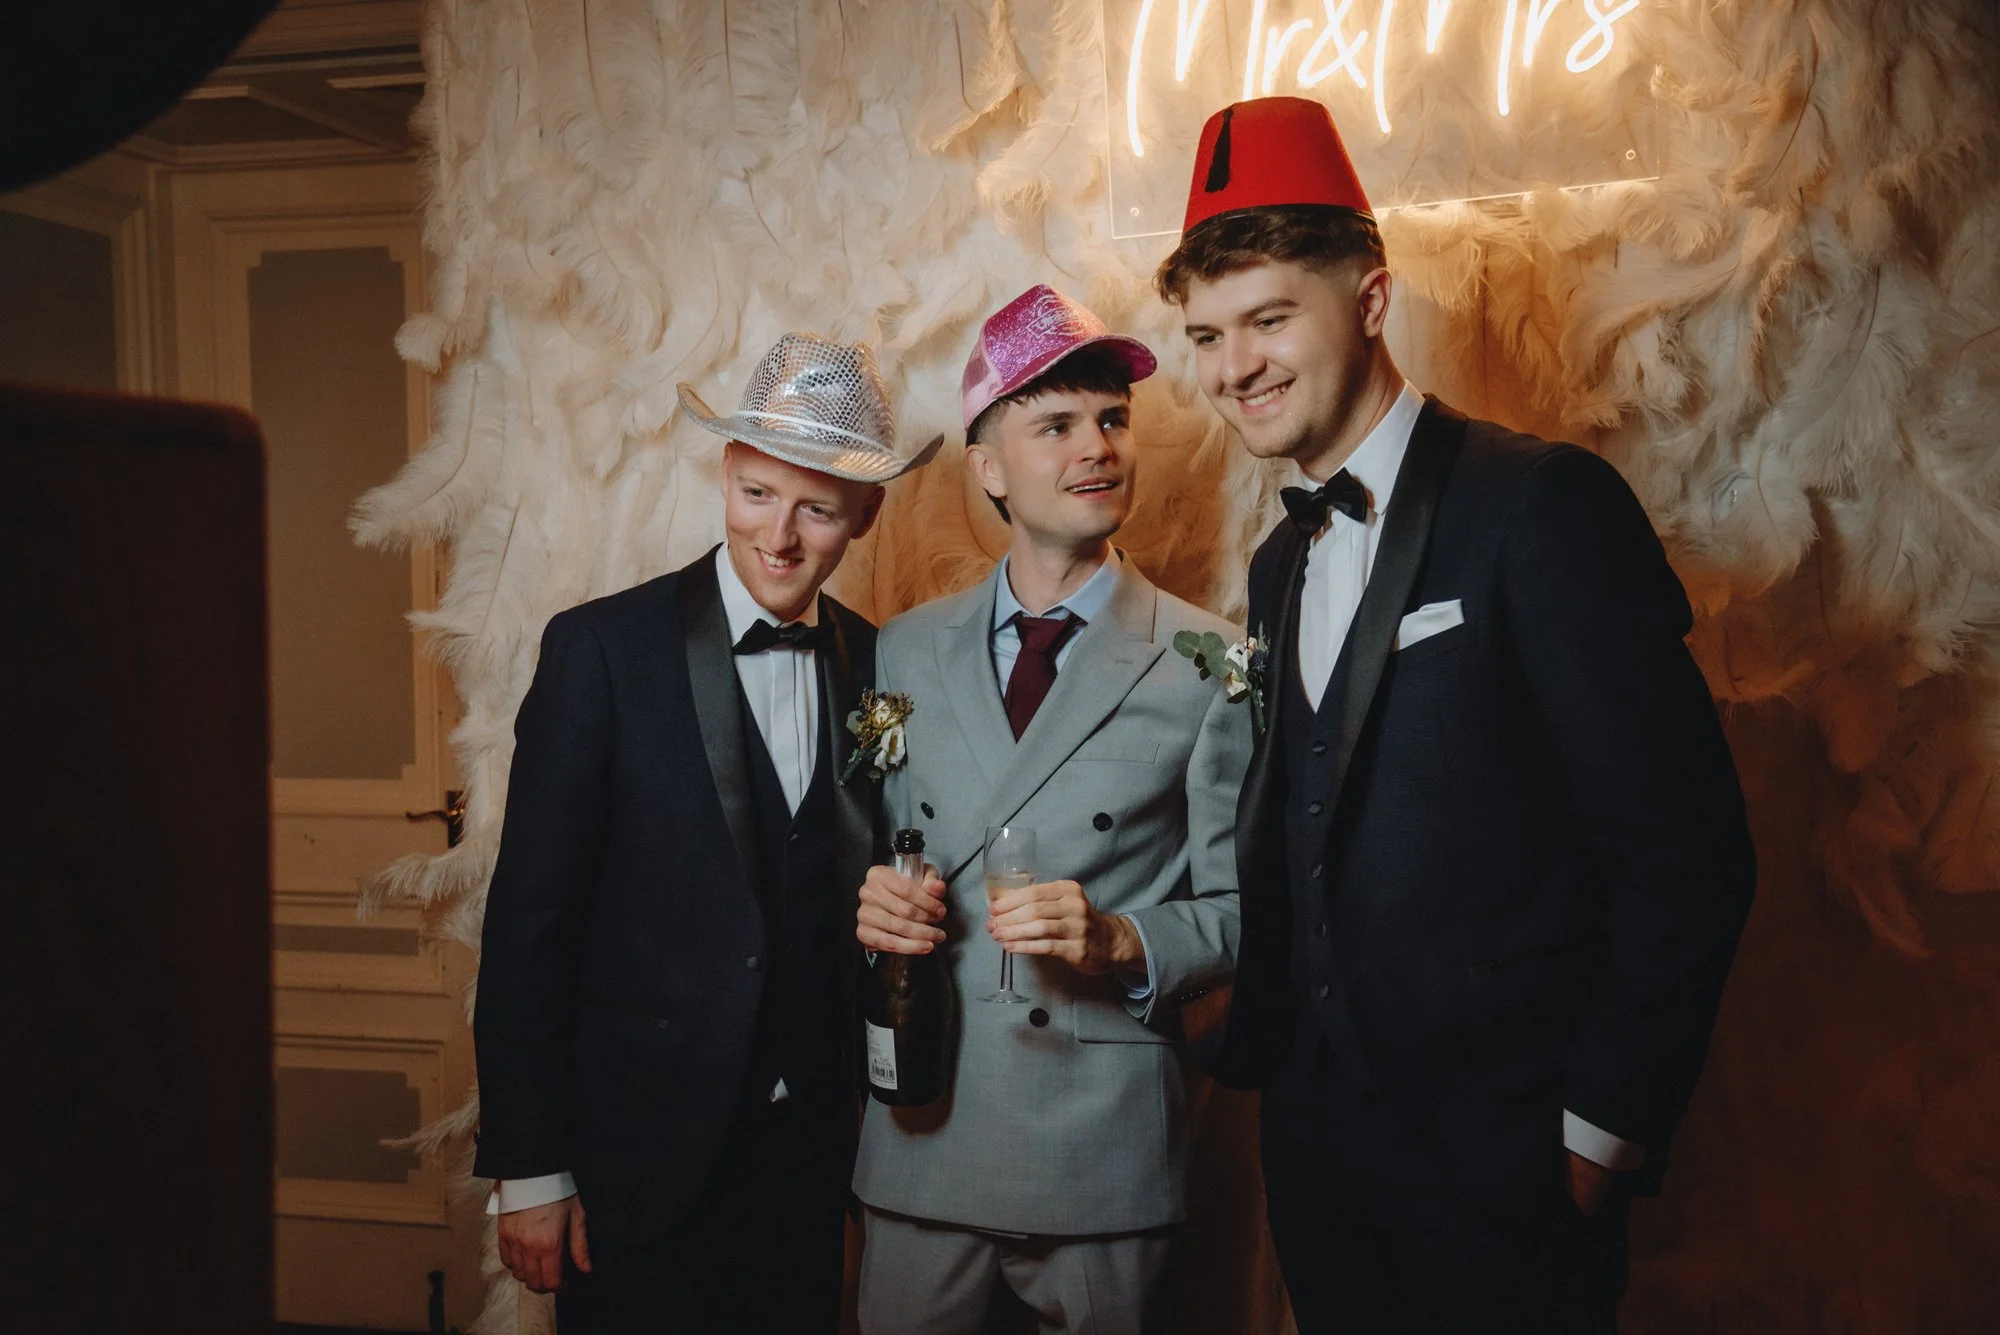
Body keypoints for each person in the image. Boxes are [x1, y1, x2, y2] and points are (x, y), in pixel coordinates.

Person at [1155, 97, 1758, 1333]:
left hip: (1509, 1178)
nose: (1231, 368)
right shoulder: (1277, 565)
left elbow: (1684, 853)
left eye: (1268, 318)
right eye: (1205, 335)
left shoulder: (1537, 507)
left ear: (1370, 300)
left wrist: (1593, 1140)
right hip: (1321, 1173)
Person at [472, 333, 939, 1332]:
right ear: (727, 472)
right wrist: (531, 1167)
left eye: (817, 509)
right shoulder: (599, 651)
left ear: (866, 514)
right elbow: (528, 927)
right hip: (633, 1168)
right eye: (758, 494)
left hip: (809, 1168)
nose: (780, 536)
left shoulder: (880, 666)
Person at [852, 284, 1254, 1335]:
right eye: (1057, 425)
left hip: (1103, 1153)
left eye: (1113, 420)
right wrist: (869, 902)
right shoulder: (899, 650)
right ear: (987, 467)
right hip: (923, 1126)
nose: (1097, 448)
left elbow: (1244, 910)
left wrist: (1119, 937)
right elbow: (865, 847)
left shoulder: (1212, 662)